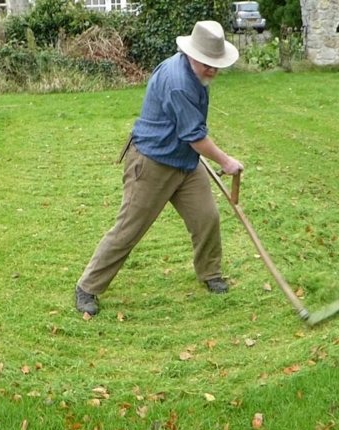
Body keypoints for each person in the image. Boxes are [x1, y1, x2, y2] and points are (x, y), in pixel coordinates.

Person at [75, 20, 244, 316]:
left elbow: (190, 134)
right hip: (151, 164)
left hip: (186, 163)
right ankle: (87, 287)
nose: (213, 70)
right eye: (208, 64)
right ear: (192, 54)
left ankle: (210, 273)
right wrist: (226, 162)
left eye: (217, 64)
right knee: (129, 228)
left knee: (207, 217)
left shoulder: (195, 75)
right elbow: (195, 136)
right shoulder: (178, 81)